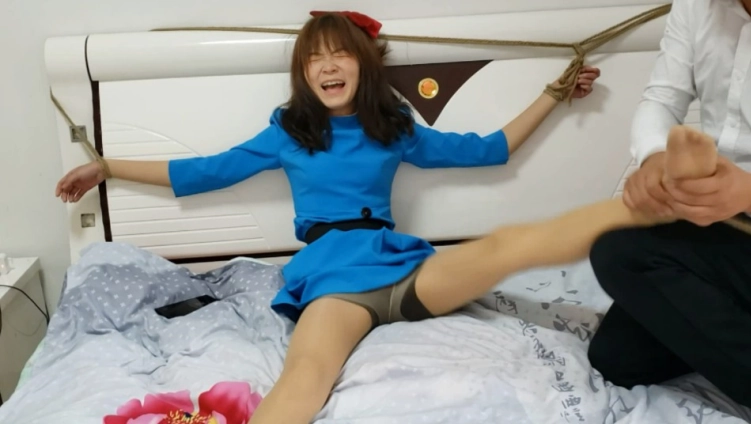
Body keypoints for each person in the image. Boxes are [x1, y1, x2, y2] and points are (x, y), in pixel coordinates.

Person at [57, 11, 706, 424]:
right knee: (305, 375)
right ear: (303, 73)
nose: (327, 65)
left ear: (363, 63)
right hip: (334, 280)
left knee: (507, 246)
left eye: (339, 53)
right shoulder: (289, 132)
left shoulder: (392, 126)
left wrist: (553, 94)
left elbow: (491, 149)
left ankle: (643, 206)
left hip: (404, 268)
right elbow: (202, 170)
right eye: (314, 57)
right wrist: (106, 165)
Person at [586, 0, 751, 423]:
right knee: (618, 360)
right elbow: (661, 98)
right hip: (727, 219)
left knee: (618, 250)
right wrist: (654, 157)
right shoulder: (696, 6)